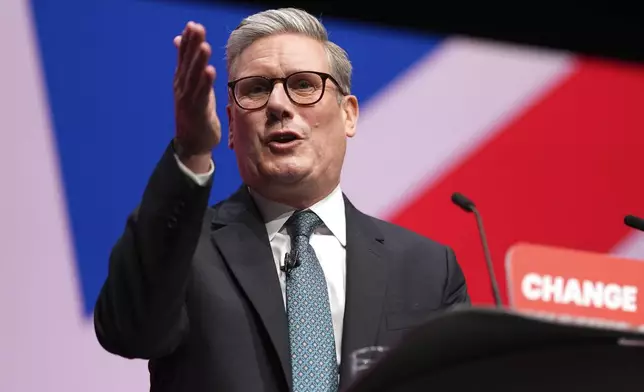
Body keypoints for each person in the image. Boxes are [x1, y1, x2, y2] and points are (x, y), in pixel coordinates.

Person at [93, 7, 470, 392]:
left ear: (349, 115)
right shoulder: (185, 252)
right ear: (230, 127)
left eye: (304, 84)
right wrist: (190, 150)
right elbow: (128, 330)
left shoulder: (428, 271)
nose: (277, 104)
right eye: (255, 89)